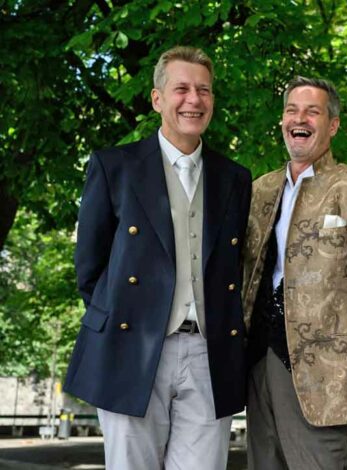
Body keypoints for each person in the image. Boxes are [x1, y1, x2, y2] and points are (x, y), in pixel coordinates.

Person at [63, 46, 251, 469]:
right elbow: (89, 268)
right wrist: (126, 318)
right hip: (130, 350)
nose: (194, 100)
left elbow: (233, 269)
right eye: (181, 88)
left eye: (203, 90)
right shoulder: (115, 166)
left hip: (209, 353)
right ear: (157, 99)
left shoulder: (234, 178)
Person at [241, 76, 347, 470]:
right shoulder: (259, 191)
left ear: (332, 125)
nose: (300, 119)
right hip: (257, 365)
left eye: (312, 111)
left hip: (329, 377)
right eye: (291, 110)